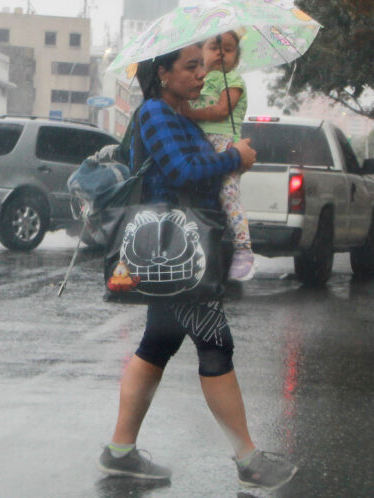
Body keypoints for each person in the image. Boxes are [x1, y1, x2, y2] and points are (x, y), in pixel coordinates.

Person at [97, 42, 298, 492]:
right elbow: (183, 170)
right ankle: (248, 460)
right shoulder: (155, 113)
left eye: (203, 67)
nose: (201, 76)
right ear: (163, 74)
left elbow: (194, 168)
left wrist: (228, 158)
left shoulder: (177, 114)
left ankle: (121, 452)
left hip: (186, 251)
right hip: (176, 255)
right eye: (191, 67)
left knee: (156, 344)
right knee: (215, 345)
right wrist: (234, 158)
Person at [179, 30, 255, 280]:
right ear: (201, 52)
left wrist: (189, 113)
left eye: (229, 49)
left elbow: (222, 110)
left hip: (224, 143)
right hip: (201, 143)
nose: (221, 52)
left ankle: (244, 249)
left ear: (237, 57)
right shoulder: (200, 79)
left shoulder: (233, 80)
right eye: (214, 47)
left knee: (228, 195)